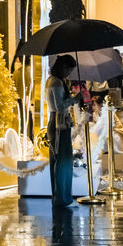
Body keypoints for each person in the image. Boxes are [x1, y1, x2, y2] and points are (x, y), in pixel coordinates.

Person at [46, 55, 78, 208]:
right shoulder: (57, 82)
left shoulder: (53, 80)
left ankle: (60, 196)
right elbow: (59, 106)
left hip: (57, 122)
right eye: (69, 69)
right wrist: (74, 99)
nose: (69, 73)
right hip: (59, 124)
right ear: (63, 67)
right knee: (62, 161)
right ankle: (62, 197)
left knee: (59, 160)